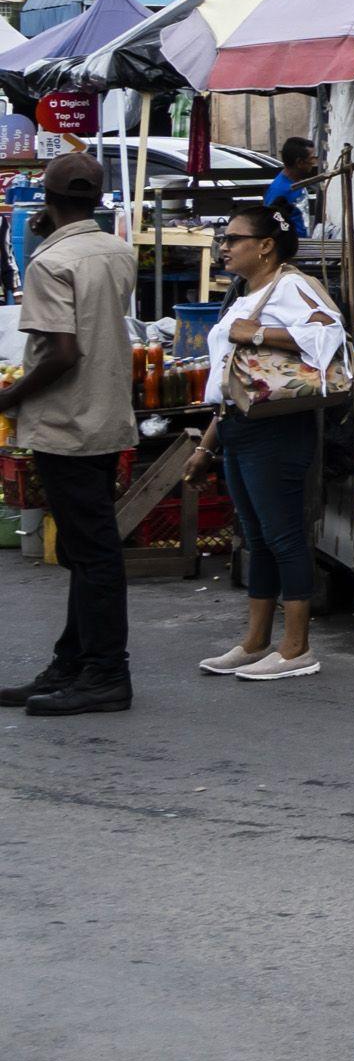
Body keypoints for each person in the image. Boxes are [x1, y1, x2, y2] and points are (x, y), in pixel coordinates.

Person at [3, 153, 140, 717]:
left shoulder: (51, 260)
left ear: (48, 201)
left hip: (67, 421)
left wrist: (9, 398)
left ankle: (107, 672)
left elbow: (62, 353)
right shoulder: (116, 249)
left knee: (94, 555)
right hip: (105, 415)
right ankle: (75, 661)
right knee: (89, 552)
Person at [195, 202, 349, 681]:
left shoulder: (292, 285)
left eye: (232, 239)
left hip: (277, 429)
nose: (223, 247)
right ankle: (255, 641)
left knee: (283, 536)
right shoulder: (246, 292)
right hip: (239, 424)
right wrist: (206, 445)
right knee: (256, 536)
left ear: (265, 246)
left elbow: (331, 334)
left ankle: (297, 647)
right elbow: (230, 379)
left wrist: (259, 332)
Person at [264, 135, 321, 244]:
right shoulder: (280, 190)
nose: (314, 163)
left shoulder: (297, 182)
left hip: (302, 245)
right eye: (312, 159)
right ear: (299, 162)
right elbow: (272, 226)